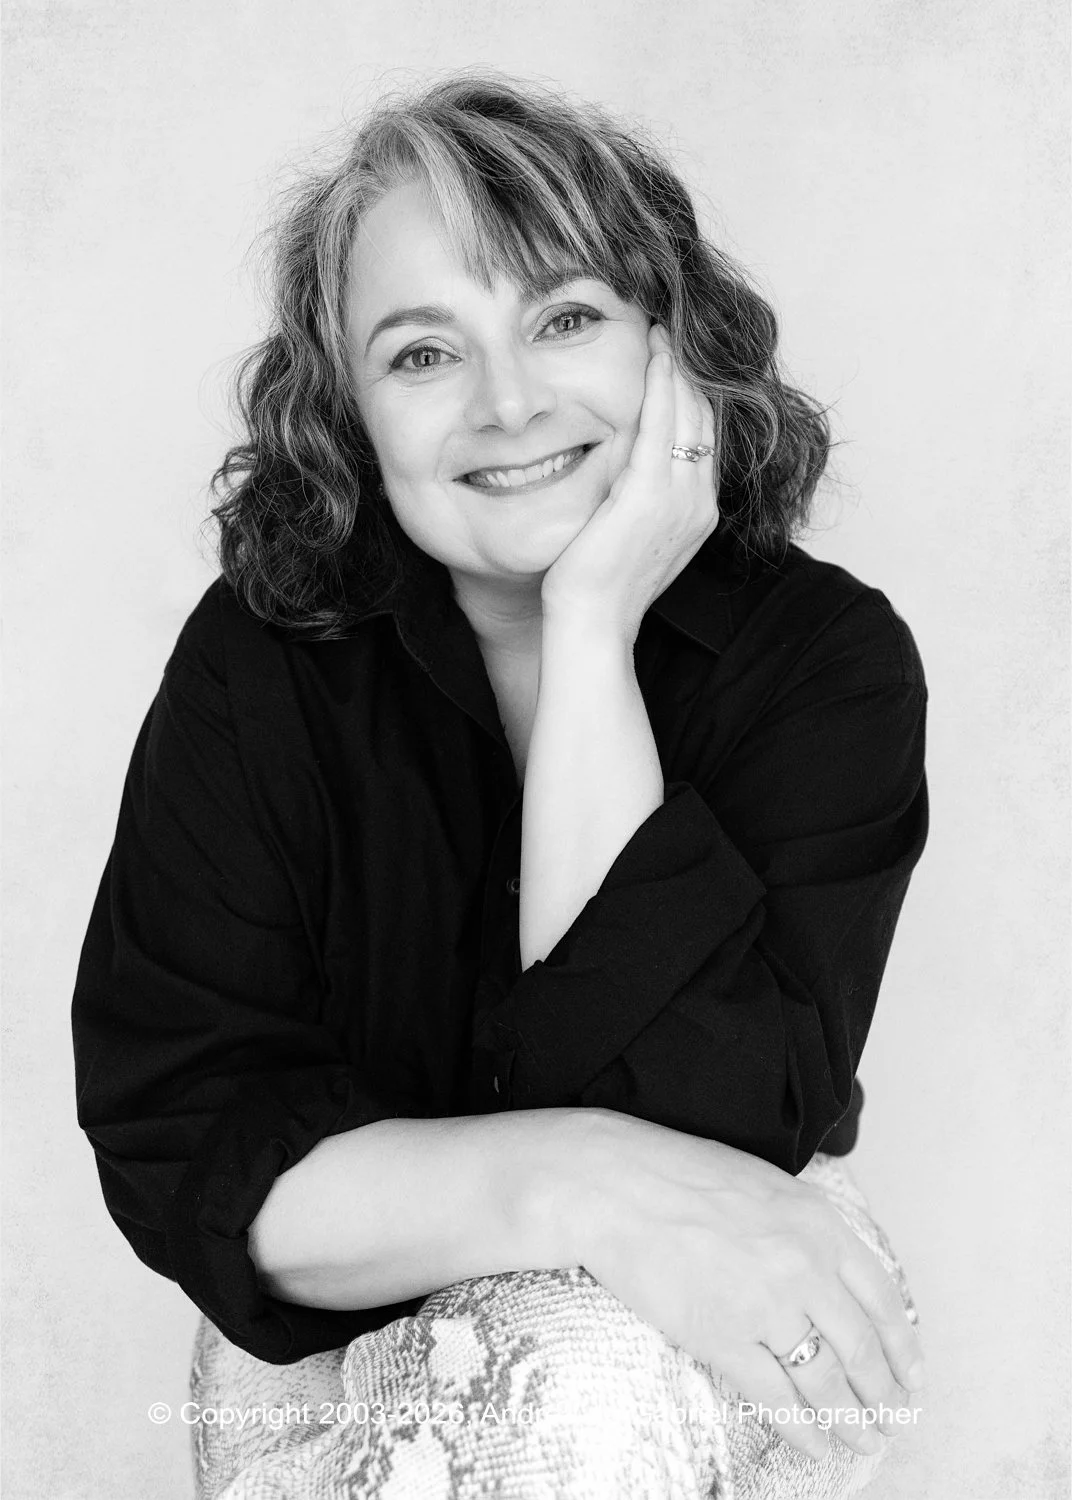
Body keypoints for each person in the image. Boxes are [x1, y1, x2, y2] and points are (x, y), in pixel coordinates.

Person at [71, 70, 929, 1499]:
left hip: (714, 1321)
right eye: (422, 354)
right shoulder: (263, 659)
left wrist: (590, 634)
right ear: (347, 412)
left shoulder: (821, 660)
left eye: (567, 316)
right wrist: (577, 1178)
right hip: (335, 1343)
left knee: (585, 1361)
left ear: (673, 340)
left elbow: (719, 1137)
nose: (509, 401)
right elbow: (188, 1147)